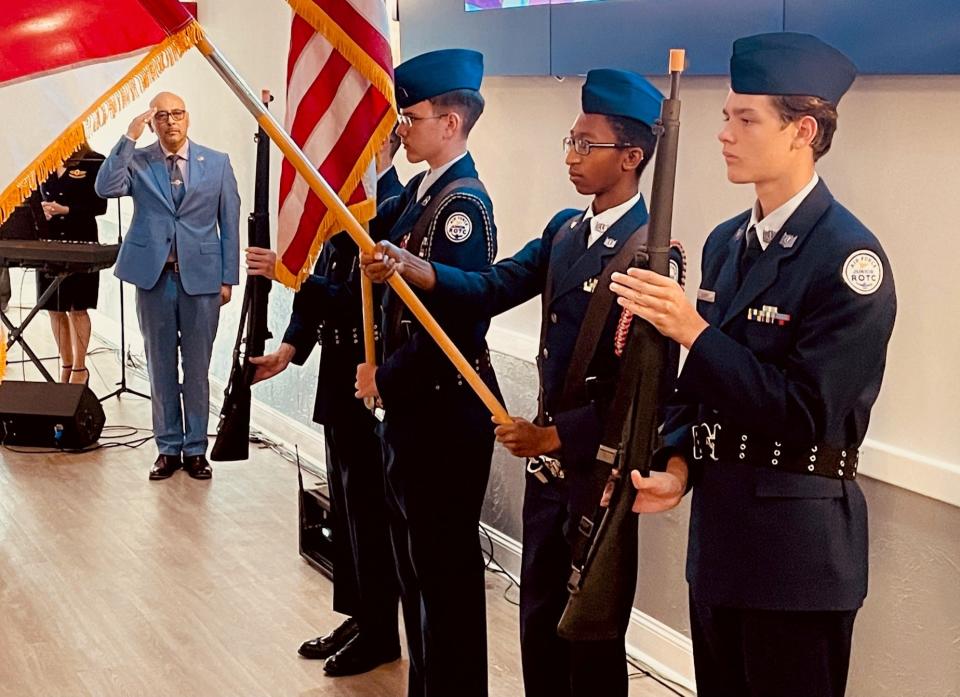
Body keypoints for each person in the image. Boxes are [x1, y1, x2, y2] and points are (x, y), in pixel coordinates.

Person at [363, 69, 682, 697]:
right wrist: (414, 269)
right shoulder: (565, 231)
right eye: (569, 139)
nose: (571, 156)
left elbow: (640, 390)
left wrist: (555, 435)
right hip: (547, 474)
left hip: (594, 472)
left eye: (586, 145)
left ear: (632, 157)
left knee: (588, 637)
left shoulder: (649, 256)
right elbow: (491, 286)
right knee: (538, 624)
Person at [610, 33, 897, 697]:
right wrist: (676, 467)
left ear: (803, 130)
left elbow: (806, 413)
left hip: (796, 558)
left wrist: (692, 328)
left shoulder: (848, 260)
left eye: (746, 118)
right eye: (723, 116)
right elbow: (699, 392)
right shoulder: (728, 243)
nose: (725, 133)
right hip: (722, 547)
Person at [355, 48, 501, 697]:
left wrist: (384, 378)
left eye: (408, 118)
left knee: (445, 582)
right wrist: (381, 164)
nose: (400, 129)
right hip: (417, 416)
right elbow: (378, 223)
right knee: (418, 573)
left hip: (444, 415)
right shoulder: (425, 193)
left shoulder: (461, 205)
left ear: (450, 122)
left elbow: (456, 331)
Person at [243, 129, 404, 676]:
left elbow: (373, 300)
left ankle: (382, 631)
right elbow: (325, 281)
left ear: (387, 148)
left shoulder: (394, 211)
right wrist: (289, 347)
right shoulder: (344, 207)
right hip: (339, 380)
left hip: (373, 384)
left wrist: (290, 276)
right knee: (348, 506)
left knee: (371, 513)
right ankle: (358, 614)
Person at [96, 92, 240, 481]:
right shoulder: (140, 162)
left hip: (203, 279)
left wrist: (228, 278)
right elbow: (105, 187)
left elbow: (230, 223)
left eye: (177, 113)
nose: (171, 122)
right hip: (154, 277)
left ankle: (196, 449)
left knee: (197, 368)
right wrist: (129, 136)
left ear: (187, 117)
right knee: (160, 367)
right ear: (154, 122)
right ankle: (167, 448)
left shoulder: (218, 163)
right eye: (162, 116)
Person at [36, 142, 108, 384]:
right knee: (54, 308)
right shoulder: (43, 159)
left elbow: (100, 205)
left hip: (81, 241)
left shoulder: (93, 161)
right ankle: (65, 365)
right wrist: (42, 211)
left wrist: (65, 209)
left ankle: (79, 368)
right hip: (49, 242)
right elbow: (34, 196)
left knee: (77, 307)